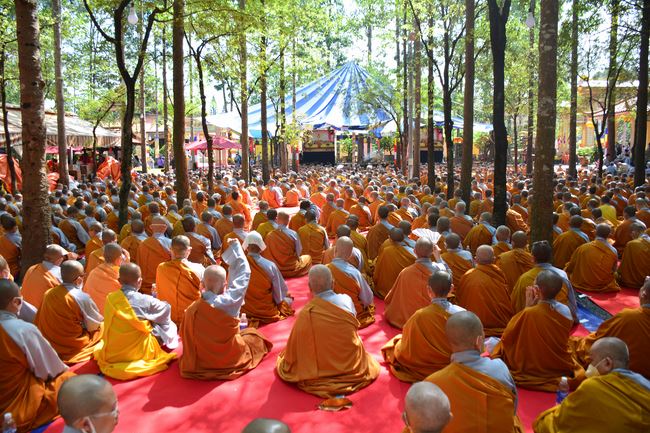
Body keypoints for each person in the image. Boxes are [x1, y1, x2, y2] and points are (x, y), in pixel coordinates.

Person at [276, 265, 380, 398]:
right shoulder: (346, 300)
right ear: (333, 283)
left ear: (309, 287)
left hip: (320, 367)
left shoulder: (306, 314)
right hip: (351, 364)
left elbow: (295, 348)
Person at [180, 239, 272, 379]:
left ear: (201, 285)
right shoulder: (230, 302)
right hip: (230, 358)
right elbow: (243, 274)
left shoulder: (191, 310)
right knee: (254, 336)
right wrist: (236, 247)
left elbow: (184, 334)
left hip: (200, 361)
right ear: (225, 285)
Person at [425, 311, 521, 432]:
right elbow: (513, 409)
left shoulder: (434, 383)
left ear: (449, 343)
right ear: (479, 341)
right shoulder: (500, 367)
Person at [0, 279, 74, 432]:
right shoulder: (22, 330)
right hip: (15, 410)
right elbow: (51, 369)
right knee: (67, 379)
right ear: (15, 302)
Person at [491, 270, 584, 391]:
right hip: (557, 362)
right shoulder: (565, 311)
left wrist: (527, 308)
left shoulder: (529, 313)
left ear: (537, 290)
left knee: (500, 346)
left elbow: (508, 335)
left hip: (530, 364)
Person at [533, 337, 650, 433]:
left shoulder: (593, 387)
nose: (589, 366)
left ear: (607, 363)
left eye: (591, 361)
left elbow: (560, 422)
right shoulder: (644, 386)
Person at [94, 263, 178, 380]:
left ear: (119, 280)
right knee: (170, 326)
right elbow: (166, 309)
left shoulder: (110, 298)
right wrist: (154, 296)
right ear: (140, 281)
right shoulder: (145, 300)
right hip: (139, 353)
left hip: (112, 352)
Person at [383, 271, 465, 382]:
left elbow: (408, 341)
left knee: (397, 343)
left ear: (428, 290)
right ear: (451, 289)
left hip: (423, 365)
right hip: (452, 365)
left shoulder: (419, 315)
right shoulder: (462, 314)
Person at [572, 280, 650, 379]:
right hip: (645, 381)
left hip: (623, 377)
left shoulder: (629, 317)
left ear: (643, 294)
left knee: (572, 345)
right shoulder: (632, 318)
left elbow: (600, 338)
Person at [35, 261, 104, 363]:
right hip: (72, 344)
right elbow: (93, 325)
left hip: (48, 342)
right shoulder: (82, 297)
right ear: (79, 279)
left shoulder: (48, 293)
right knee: (103, 327)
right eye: (83, 276)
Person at [384, 238, 448, 329]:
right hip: (430, 317)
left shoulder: (405, 272)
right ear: (431, 252)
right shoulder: (439, 270)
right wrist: (438, 257)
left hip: (404, 316)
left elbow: (393, 294)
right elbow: (448, 275)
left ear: (414, 251)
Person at [510, 240, 577, 320]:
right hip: (561, 318)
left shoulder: (524, 278)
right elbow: (572, 303)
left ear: (533, 258)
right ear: (550, 257)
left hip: (533, 320)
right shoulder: (562, 274)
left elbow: (515, 305)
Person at [455, 245, 513, 337]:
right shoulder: (499, 274)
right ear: (494, 259)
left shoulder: (467, 276)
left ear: (475, 259)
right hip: (499, 326)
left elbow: (460, 298)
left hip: (473, 327)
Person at [240, 232, 294, 326]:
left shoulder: (239, 265)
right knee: (288, 299)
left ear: (247, 247)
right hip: (266, 310)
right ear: (261, 247)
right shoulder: (270, 265)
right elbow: (278, 294)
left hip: (244, 309)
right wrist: (280, 302)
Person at [326, 236, 375, 328]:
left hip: (330, 311)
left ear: (335, 250)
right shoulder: (355, 273)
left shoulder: (325, 270)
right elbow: (367, 299)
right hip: (351, 311)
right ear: (349, 255)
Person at [156, 235, 204, 325]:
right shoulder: (199, 269)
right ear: (189, 250)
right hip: (190, 318)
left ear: (170, 249)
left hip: (168, 319)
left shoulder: (161, 268)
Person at [565, 224, 620, 293]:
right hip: (602, 284)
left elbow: (572, 265)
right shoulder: (613, 250)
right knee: (616, 275)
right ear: (609, 235)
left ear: (595, 232)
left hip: (582, 281)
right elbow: (614, 269)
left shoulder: (583, 248)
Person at [262, 211, 312, 278]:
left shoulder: (270, 235)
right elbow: (299, 250)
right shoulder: (293, 234)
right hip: (291, 266)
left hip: (276, 268)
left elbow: (266, 253)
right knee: (308, 257)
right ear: (288, 221)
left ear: (277, 220)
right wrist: (296, 258)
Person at [372, 228, 416, 299]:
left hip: (387, 289)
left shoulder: (386, 251)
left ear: (390, 239)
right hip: (404, 288)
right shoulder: (411, 252)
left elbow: (378, 269)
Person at [21, 244, 66, 309]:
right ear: (60, 259)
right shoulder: (60, 274)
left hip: (24, 308)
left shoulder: (32, 268)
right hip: (41, 312)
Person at [136, 216, 172, 295]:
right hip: (164, 284)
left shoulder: (143, 244)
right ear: (165, 228)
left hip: (145, 286)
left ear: (151, 227)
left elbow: (139, 264)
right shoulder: (170, 243)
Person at [85, 243, 124, 312]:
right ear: (119, 259)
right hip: (110, 315)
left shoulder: (93, 272)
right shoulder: (119, 275)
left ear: (103, 256)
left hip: (93, 313)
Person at [616, 221, 649, 289]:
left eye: (630, 233)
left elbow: (624, 264)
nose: (631, 236)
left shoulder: (631, 244)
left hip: (632, 281)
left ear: (634, 232)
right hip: (647, 280)